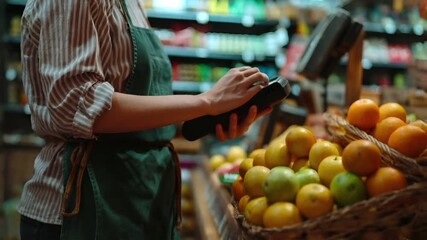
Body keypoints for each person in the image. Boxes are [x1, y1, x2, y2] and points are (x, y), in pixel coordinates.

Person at [18, 0, 272, 239]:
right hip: (80, 211)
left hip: (139, 202)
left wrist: (208, 117)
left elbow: (141, 111)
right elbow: (76, 105)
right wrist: (204, 102)